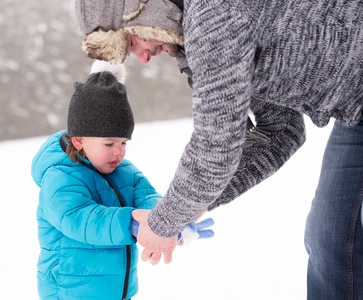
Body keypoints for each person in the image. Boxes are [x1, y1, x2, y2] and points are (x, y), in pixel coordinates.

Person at [74, 0, 363, 299]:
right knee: (333, 238)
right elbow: (280, 131)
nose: (144, 58)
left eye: (133, 41)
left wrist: (165, 221)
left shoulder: (213, 15)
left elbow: (216, 144)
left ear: (144, 12)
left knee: (336, 238)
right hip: (355, 114)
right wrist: (194, 205)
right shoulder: (195, 42)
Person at [30, 60, 162, 300]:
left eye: (124, 143)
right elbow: (80, 219)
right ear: (79, 140)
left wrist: (166, 219)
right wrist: (131, 222)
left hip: (117, 290)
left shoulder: (125, 171)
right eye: (109, 143)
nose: (119, 152)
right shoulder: (59, 177)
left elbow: (147, 197)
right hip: (71, 292)